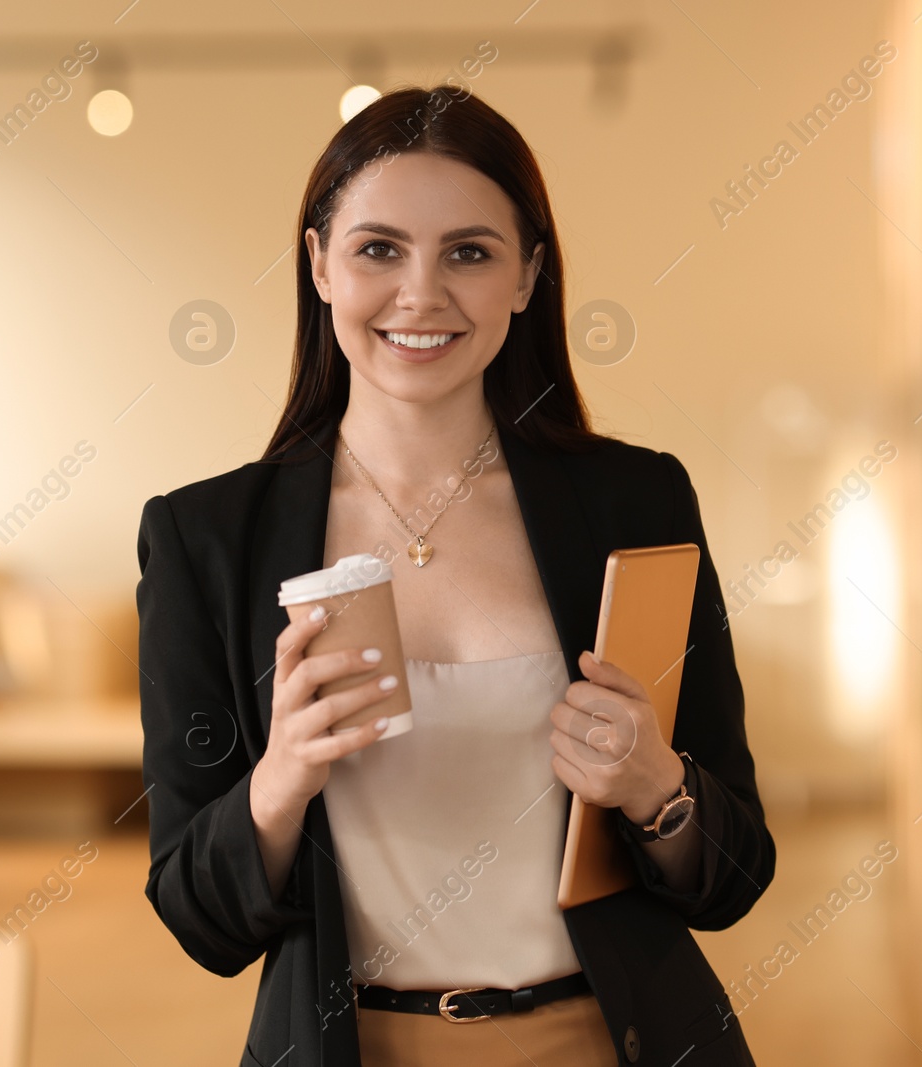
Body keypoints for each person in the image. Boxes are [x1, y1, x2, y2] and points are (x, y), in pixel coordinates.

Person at [136, 84, 775, 1067]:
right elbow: (198, 917)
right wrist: (278, 784)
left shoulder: (634, 503)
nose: (420, 294)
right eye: (378, 248)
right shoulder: (205, 538)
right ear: (318, 264)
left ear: (526, 275)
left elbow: (732, 875)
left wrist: (655, 785)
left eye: (468, 252)